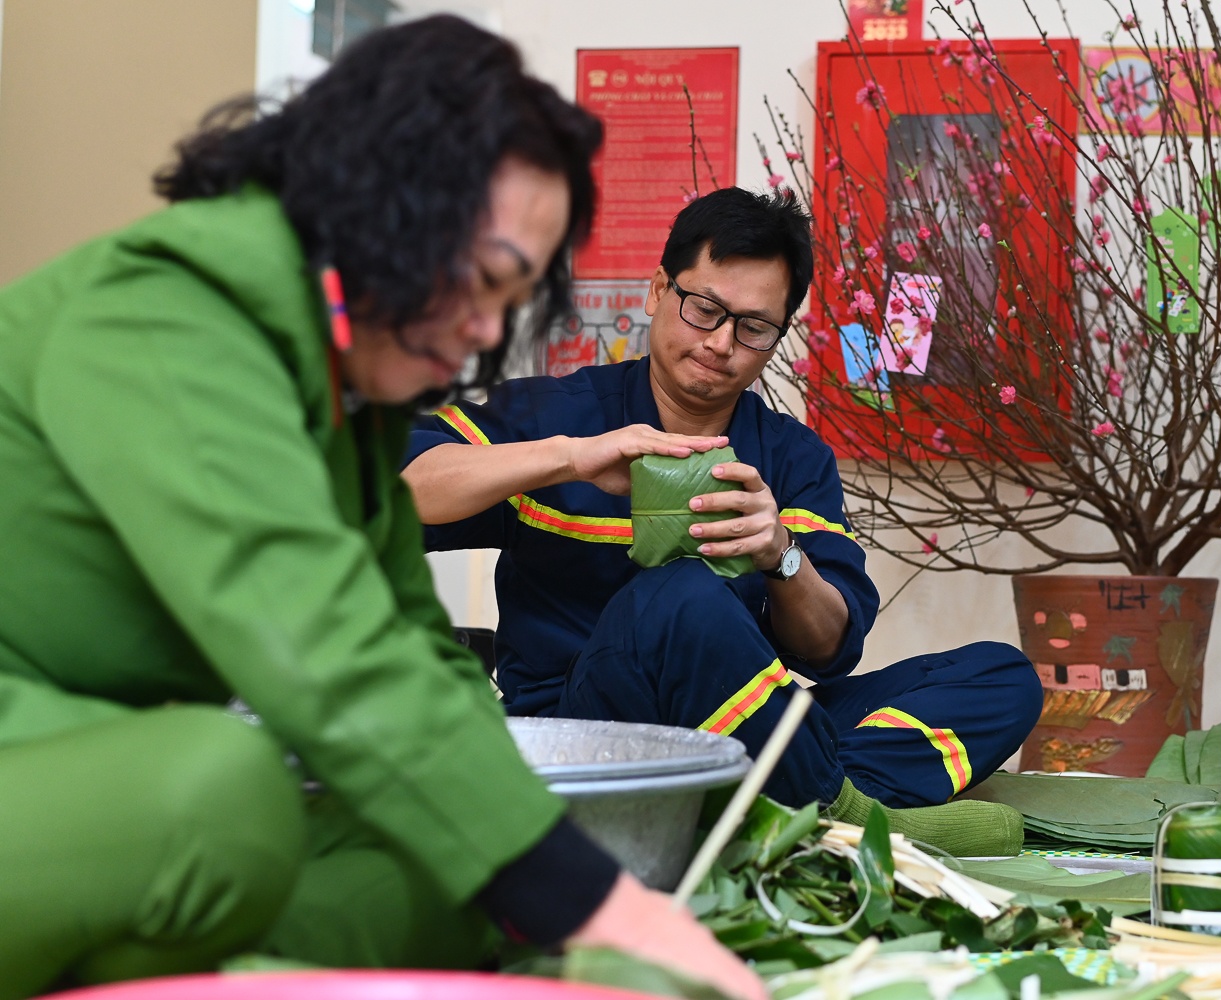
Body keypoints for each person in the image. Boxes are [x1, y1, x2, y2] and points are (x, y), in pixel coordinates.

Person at [0, 17, 764, 1000]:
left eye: (514, 297)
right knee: (226, 792)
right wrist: (607, 908)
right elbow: (320, 641)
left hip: (83, 776)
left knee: (444, 883)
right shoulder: (169, 312)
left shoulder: (349, 394)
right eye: (483, 278)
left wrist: (540, 863)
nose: (488, 328)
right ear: (376, 202)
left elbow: (417, 646)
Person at [402, 187, 1043, 854]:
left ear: (776, 337)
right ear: (658, 290)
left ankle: (757, 797)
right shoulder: (555, 417)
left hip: (735, 722)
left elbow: (830, 650)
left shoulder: (792, 459)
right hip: (581, 734)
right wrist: (566, 458)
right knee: (681, 593)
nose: (720, 343)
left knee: (1002, 680)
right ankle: (834, 807)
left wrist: (781, 554)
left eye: (753, 327)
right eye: (704, 310)